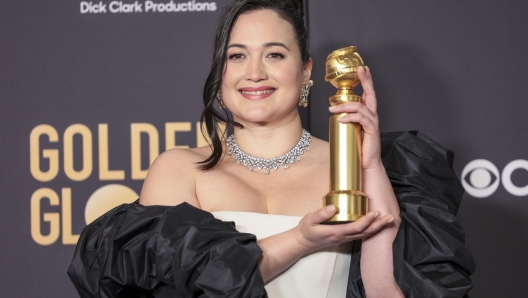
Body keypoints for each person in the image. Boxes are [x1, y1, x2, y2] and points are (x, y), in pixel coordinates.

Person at [68, 1, 475, 297]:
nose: (255, 72)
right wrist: (301, 239)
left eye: (275, 54)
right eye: (237, 56)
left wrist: (367, 162)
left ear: (306, 71)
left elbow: (385, 291)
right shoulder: (179, 170)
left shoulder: (353, 168)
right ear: (220, 71)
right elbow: (174, 287)